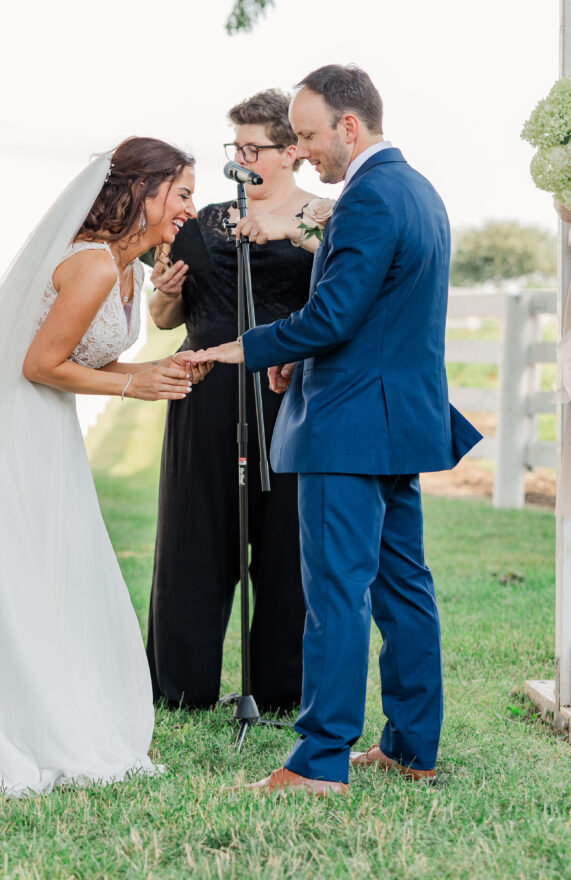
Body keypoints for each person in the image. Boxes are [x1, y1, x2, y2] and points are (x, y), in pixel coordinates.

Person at [188, 65, 482, 795]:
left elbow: (335, 314)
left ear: (349, 127)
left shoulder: (368, 197)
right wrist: (303, 357)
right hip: (394, 418)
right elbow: (375, 312)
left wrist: (244, 348)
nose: (304, 150)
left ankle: (316, 762)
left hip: (349, 423)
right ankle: (411, 748)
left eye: (311, 135)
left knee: (334, 593)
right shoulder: (416, 191)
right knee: (401, 587)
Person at [0, 136, 212, 794]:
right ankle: (5, 714)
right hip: (15, 429)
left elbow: (78, 357)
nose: (189, 206)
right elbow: (37, 365)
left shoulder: (130, 270)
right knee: (11, 568)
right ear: (143, 193)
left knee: (44, 563)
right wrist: (132, 387)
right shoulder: (90, 264)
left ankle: (42, 697)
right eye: (181, 193)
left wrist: (148, 370)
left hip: (48, 429)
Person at [146, 89, 320, 712]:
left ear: (292, 151)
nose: (244, 158)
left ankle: (277, 689)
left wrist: (295, 233)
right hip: (205, 387)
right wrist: (163, 290)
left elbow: (344, 290)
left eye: (256, 148)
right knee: (195, 533)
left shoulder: (323, 215)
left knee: (284, 543)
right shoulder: (207, 219)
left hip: (286, 388)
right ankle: (181, 686)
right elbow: (166, 316)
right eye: (236, 147)